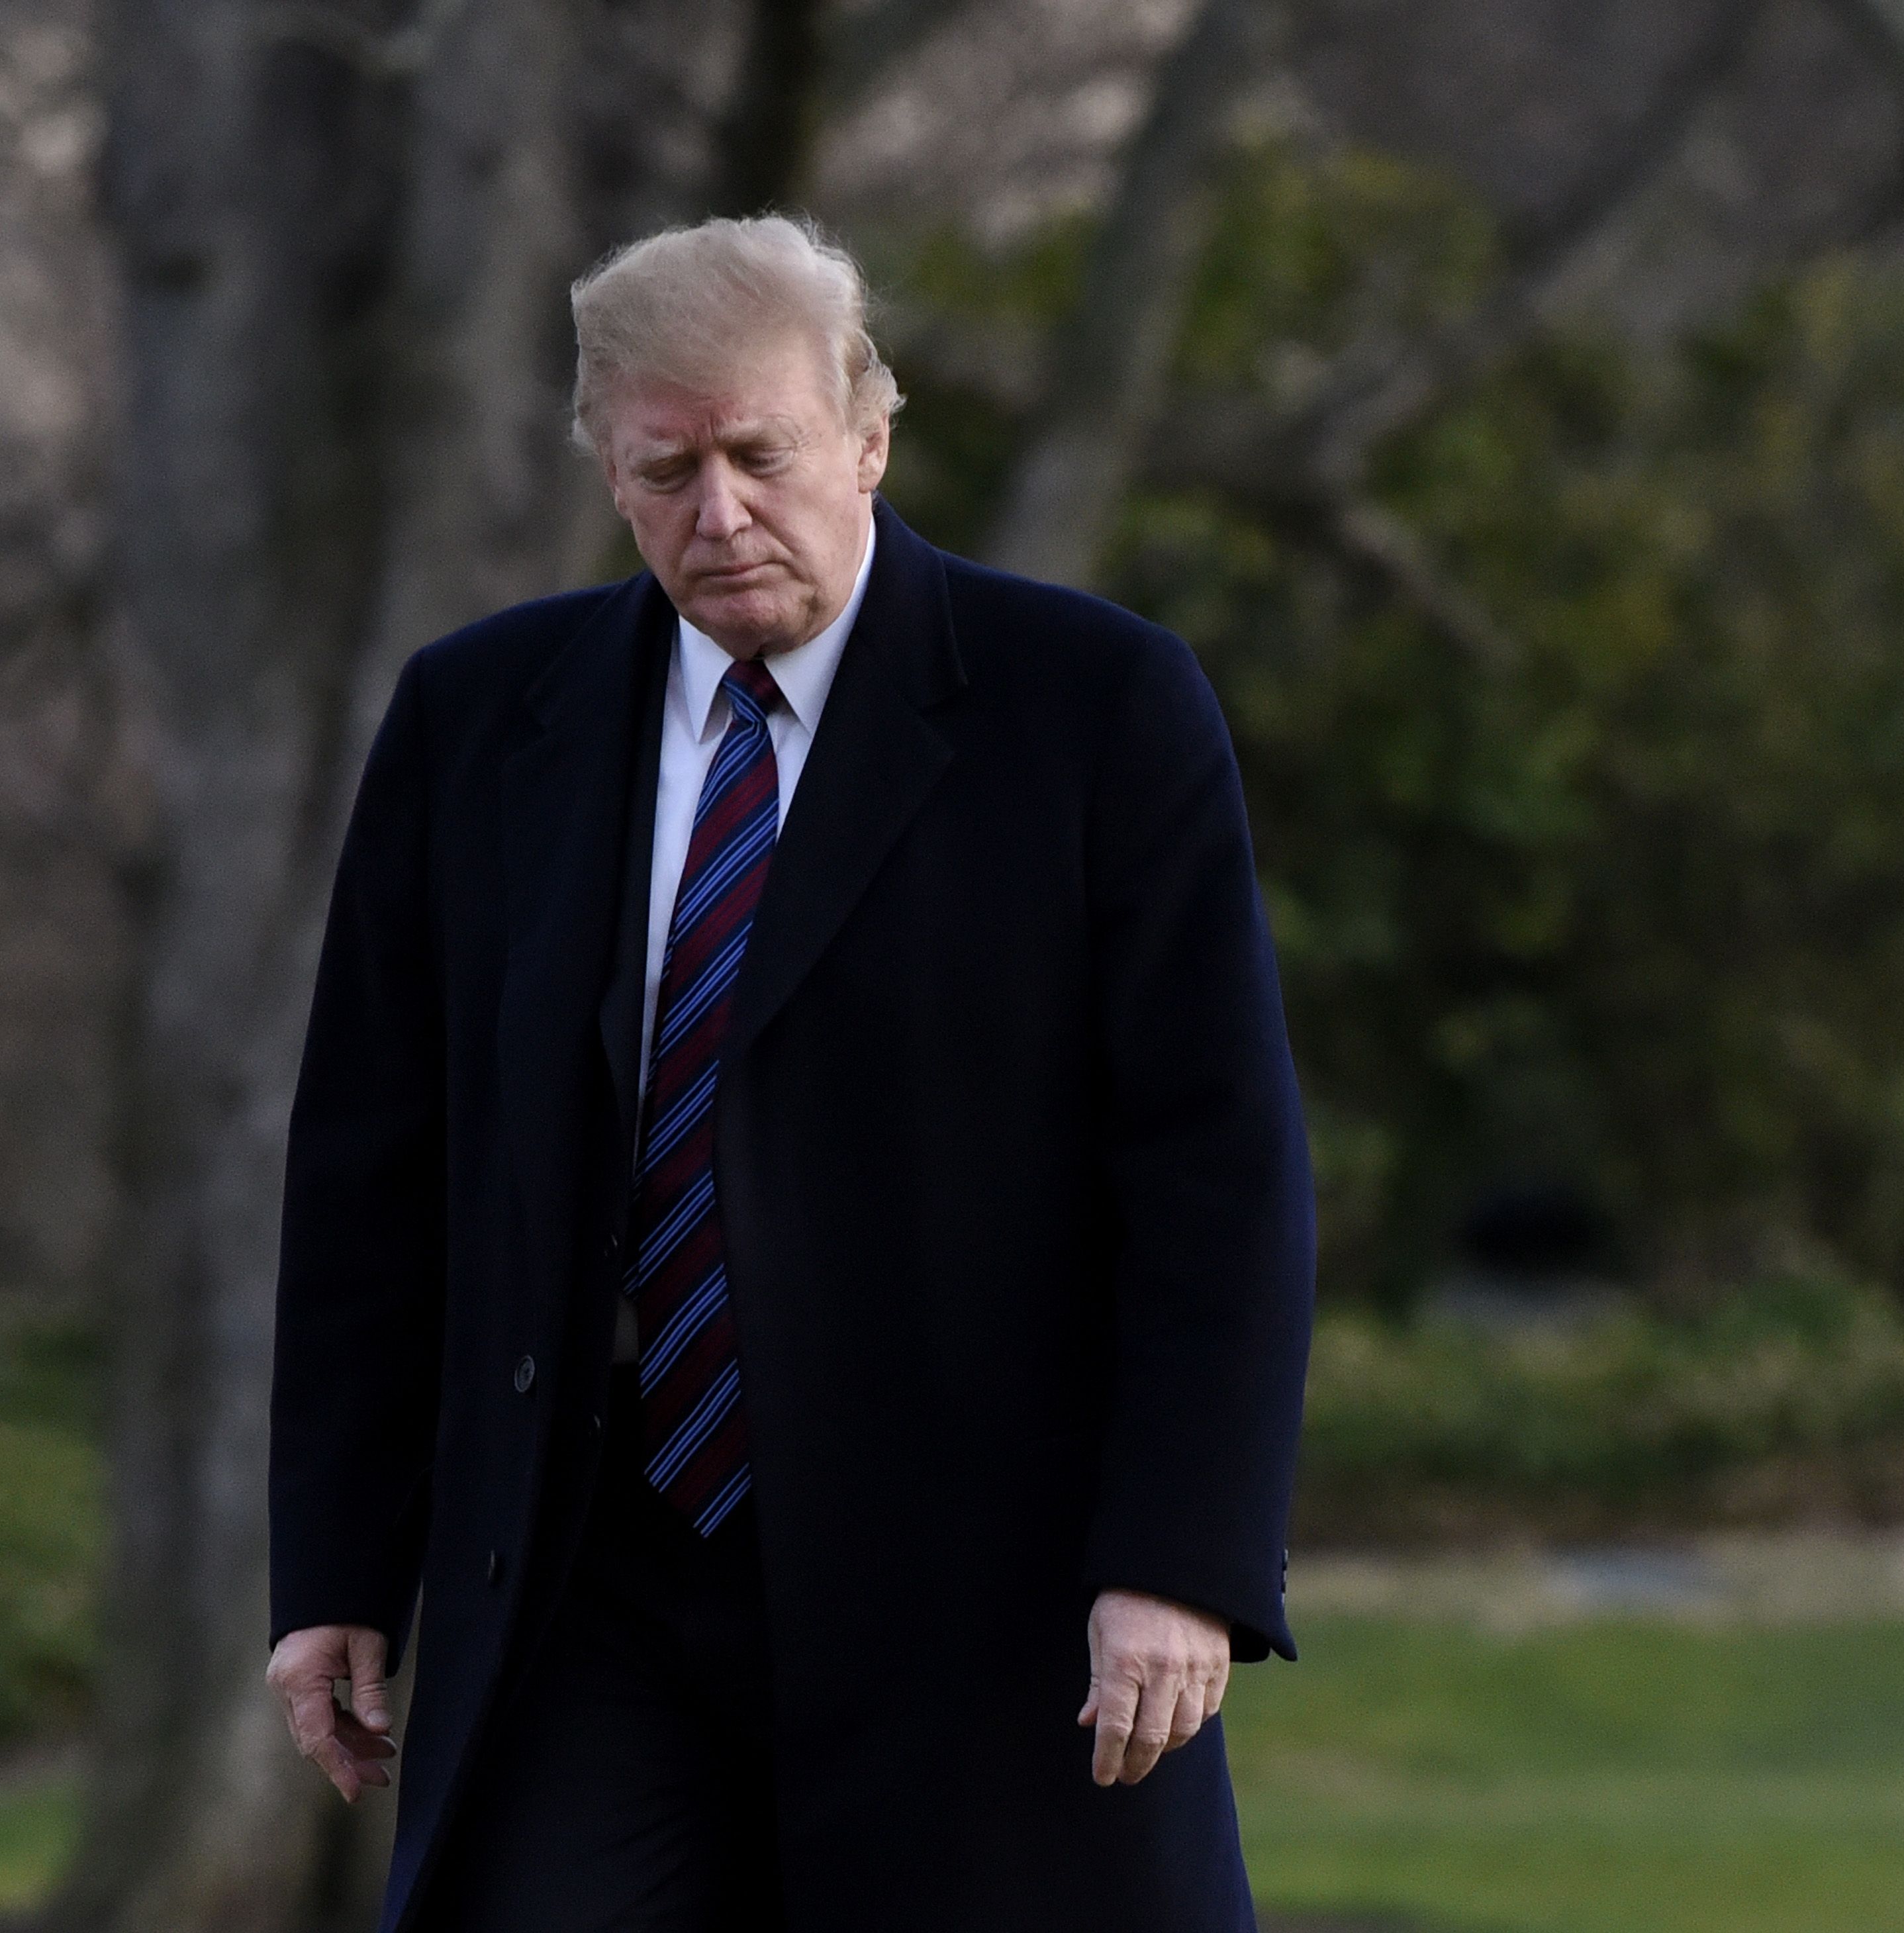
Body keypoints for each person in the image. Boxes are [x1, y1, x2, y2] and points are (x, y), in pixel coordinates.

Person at [263, 213, 1315, 1932]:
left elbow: (1216, 1173)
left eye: (761, 454)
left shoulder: (1093, 709)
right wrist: (334, 1569)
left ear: (869, 436)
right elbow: (372, 1176)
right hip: (588, 1575)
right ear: (608, 469)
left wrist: (1175, 1564)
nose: (719, 512)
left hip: (977, 1579)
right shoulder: (478, 723)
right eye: (664, 469)